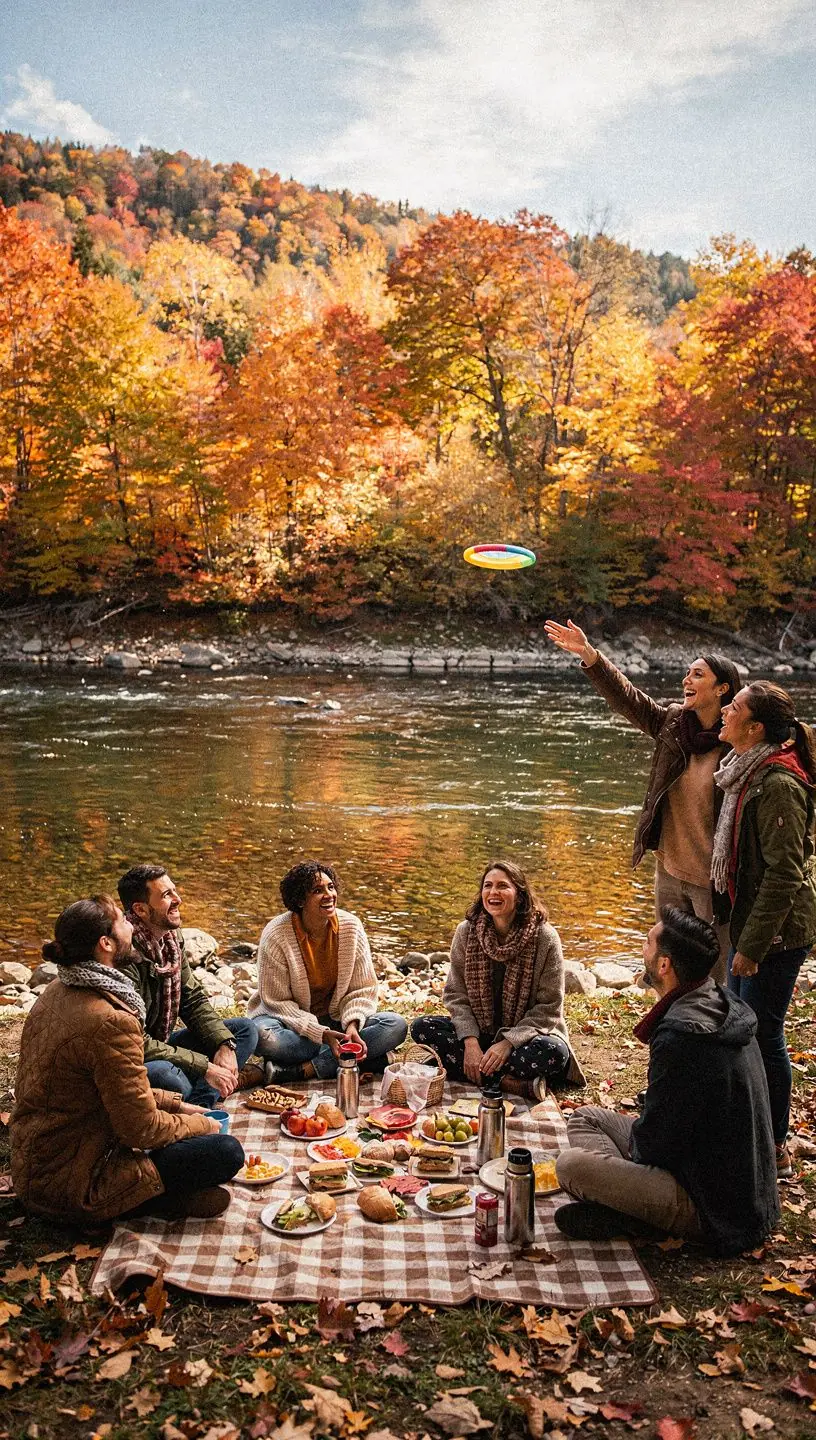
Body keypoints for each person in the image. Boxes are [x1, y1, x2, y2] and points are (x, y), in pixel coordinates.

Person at [554, 907, 779, 1254]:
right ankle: (625, 1206)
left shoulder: (683, 1036)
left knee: (569, 1167)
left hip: (716, 1209)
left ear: (664, 965)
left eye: (647, 942)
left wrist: (632, 1155)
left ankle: (634, 1216)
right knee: (587, 1118)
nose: (642, 949)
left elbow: (656, 1146)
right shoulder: (716, 997)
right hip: (732, 1180)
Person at [11, 896, 244, 1224]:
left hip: (39, 1163)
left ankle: (165, 1194)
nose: (132, 927)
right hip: (75, 1181)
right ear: (105, 943)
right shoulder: (109, 1020)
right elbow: (142, 1130)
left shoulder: (58, 988)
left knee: (195, 1119)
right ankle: (151, 1201)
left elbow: (109, 1092)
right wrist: (204, 1125)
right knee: (226, 1152)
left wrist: (180, 1106)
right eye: (123, 921)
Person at [543, 619, 741, 982]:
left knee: (715, 972)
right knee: (668, 964)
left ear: (722, 688)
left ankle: (717, 1034)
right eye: (687, 673)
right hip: (669, 868)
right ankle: (669, 1029)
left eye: (698, 674)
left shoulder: (739, 739)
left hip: (715, 879)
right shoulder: (672, 723)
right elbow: (627, 699)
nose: (687, 680)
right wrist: (589, 655)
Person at [714, 681, 816, 1178]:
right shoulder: (745, 773)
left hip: (776, 932)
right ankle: (749, 1126)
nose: (725, 712)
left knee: (763, 1033)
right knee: (742, 1029)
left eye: (733, 708)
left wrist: (751, 947)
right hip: (752, 922)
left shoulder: (778, 784)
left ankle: (775, 1141)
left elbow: (785, 874)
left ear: (754, 728)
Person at [410, 861, 586, 1099]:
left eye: (503, 886)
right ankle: (509, 1082)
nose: (493, 892)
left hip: (525, 1038)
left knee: (554, 1052)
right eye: (488, 886)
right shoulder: (466, 932)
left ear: (520, 894)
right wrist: (471, 1043)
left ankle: (460, 1067)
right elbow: (455, 995)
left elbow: (549, 1008)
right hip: (479, 1034)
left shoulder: (545, 937)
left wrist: (508, 1043)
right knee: (422, 1028)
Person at [247, 862, 407, 1080]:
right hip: (290, 1023)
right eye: (317, 890)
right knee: (262, 1036)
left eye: (331, 887)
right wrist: (320, 1034)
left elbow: (363, 989)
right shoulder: (276, 935)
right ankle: (368, 1059)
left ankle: (302, 1070)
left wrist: (352, 1025)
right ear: (300, 900)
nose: (329, 895)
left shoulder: (351, 927)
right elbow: (277, 1002)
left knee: (395, 1026)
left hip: (337, 1021)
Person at [117, 865, 259, 1107]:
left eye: (174, 891)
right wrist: (205, 1066)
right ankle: (200, 1100)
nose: (178, 900)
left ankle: (197, 1105)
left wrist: (223, 1044)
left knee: (244, 1031)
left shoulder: (172, 939)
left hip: (163, 1042)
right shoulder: (124, 955)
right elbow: (135, 1040)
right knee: (167, 1076)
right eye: (166, 896)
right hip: (134, 1054)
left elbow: (191, 999)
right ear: (140, 909)